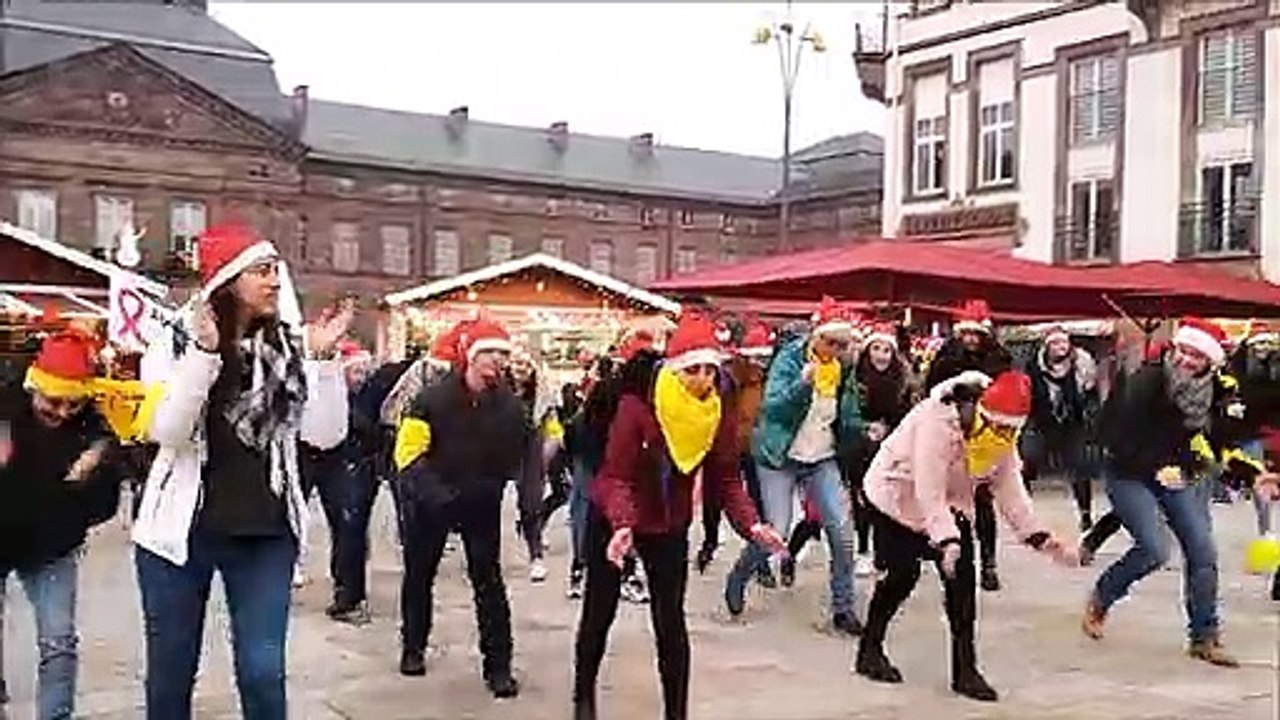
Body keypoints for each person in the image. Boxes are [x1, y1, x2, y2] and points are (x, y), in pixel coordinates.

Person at [131, 223, 351, 720]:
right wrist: (205, 357)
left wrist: (324, 361)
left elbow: (326, 435)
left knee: (262, 673)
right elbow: (166, 431)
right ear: (228, 281)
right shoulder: (175, 342)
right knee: (170, 674)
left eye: (276, 271)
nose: (275, 281)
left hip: (265, 534)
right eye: (262, 271)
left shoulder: (289, 348)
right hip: (178, 535)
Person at [574, 313, 784, 720]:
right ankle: (584, 699)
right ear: (674, 369)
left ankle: (676, 712)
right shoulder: (638, 407)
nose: (702, 379)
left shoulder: (718, 405)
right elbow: (615, 477)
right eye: (692, 369)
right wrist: (621, 527)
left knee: (670, 623)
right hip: (616, 520)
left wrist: (752, 524)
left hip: (669, 523)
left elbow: (725, 476)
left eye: (709, 369)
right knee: (599, 613)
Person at [855, 371, 1078, 701]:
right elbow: (927, 488)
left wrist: (1039, 537)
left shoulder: (1001, 439)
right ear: (981, 413)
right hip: (896, 495)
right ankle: (869, 649)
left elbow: (1010, 489)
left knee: (963, 588)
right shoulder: (937, 421)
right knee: (903, 575)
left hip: (951, 503)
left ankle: (965, 671)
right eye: (1000, 428)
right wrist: (946, 541)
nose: (1004, 435)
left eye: (1011, 431)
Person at [1083, 317, 1253, 666]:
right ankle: (1103, 596)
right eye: (1184, 352)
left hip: (1178, 475)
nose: (1187, 361)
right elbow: (1114, 436)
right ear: (1175, 348)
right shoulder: (1145, 381)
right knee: (1154, 549)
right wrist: (1158, 466)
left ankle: (1204, 636)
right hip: (1128, 472)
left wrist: (1251, 475)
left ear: (1210, 362)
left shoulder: (1215, 393)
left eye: (1197, 356)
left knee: (1203, 551)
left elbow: (1215, 443)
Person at [393, 317, 524, 697]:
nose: (497, 361)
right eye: (489, 353)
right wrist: (435, 495)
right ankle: (413, 646)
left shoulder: (510, 406)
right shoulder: (431, 400)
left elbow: (517, 454)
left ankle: (498, 666)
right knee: (419, 575)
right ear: (470, 355)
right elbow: (408, 455)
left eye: (503, 354)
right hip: (431, 501)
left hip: (481, 504)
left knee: (489, 583)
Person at [0, 330, 127, 720]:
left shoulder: (97, 433)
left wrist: (88, 480)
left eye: (73, 405)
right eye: (52, 402)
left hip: (53, 546)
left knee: (58, 643)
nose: (61, 413)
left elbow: (105, 508)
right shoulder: (5, 407)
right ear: (34, 386)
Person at [724, 296, 864, 635]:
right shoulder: (790, 358)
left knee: (841, 531)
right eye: (829, 342)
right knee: (778, 530)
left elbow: (848, 414)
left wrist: (857, 432)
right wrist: (803, 384)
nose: (833, 349)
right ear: (816, 336)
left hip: (821, 457)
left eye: (840, 344)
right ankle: (740, 575)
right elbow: (772, 407)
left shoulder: (843, 368)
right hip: (780, 457)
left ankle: (843, 608)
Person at [924, 299, 1013, 592]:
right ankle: (953, 557)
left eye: (976, 335)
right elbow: (932, 390)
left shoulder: (998, 357)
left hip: (985, 437)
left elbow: (1006, 392)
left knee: (983, 500)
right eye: (967, 335)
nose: (971, 340)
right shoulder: (947, 355)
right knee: (951, 501)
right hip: (950, 434)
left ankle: (989, 562)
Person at [298, 339, 382, 624]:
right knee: (290, 517)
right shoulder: (315, 381)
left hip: (349, 461)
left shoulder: (367, 394)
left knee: (349, 525)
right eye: (355, 371)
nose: (360, 378)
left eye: (363, 372)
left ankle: (349, 594)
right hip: (308, 452)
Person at [1022, 325, 1099, 530]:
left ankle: (1085, 513)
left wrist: (1090, 415)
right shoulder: (1035, 366)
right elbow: (1028, 393)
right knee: (1028, 459)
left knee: (1079, 467)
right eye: (1055, 343)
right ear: (1047, 347)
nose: (1060, 347)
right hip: (1042, 419)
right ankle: (1023, 512)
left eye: (1064, 342)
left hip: (1072, 420)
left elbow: (1091, 392)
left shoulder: (1081, 363)